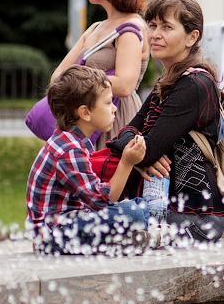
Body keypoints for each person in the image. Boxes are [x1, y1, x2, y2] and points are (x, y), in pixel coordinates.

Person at [109, 0, 224, 242]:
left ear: (191, 37)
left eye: (166, 27)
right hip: (166, 208)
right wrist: (140, 153)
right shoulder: (168, 81)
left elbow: (147, 149)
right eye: (152, 25)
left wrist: (141, 154)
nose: (155, 34)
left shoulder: (194, 84)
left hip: (195, 218)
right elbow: (125, 135)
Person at [26, 66, 152, 255]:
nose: (115, 108)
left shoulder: (73, 140)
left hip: (68, 223)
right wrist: (127, 162)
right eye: (108, 103)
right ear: (85, 112)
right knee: (133, 213)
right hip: (53, 236)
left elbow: (95, 198)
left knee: (139, 207)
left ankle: (125, 238)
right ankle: (127, 239)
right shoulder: (68, 150)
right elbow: (103, 201)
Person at [50, 0, 149, 147]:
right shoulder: (96, 27)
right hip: (88, 118)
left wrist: (78, 83)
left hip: (114, 120)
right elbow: (57, 77)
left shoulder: (131, 28)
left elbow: (124, 84)